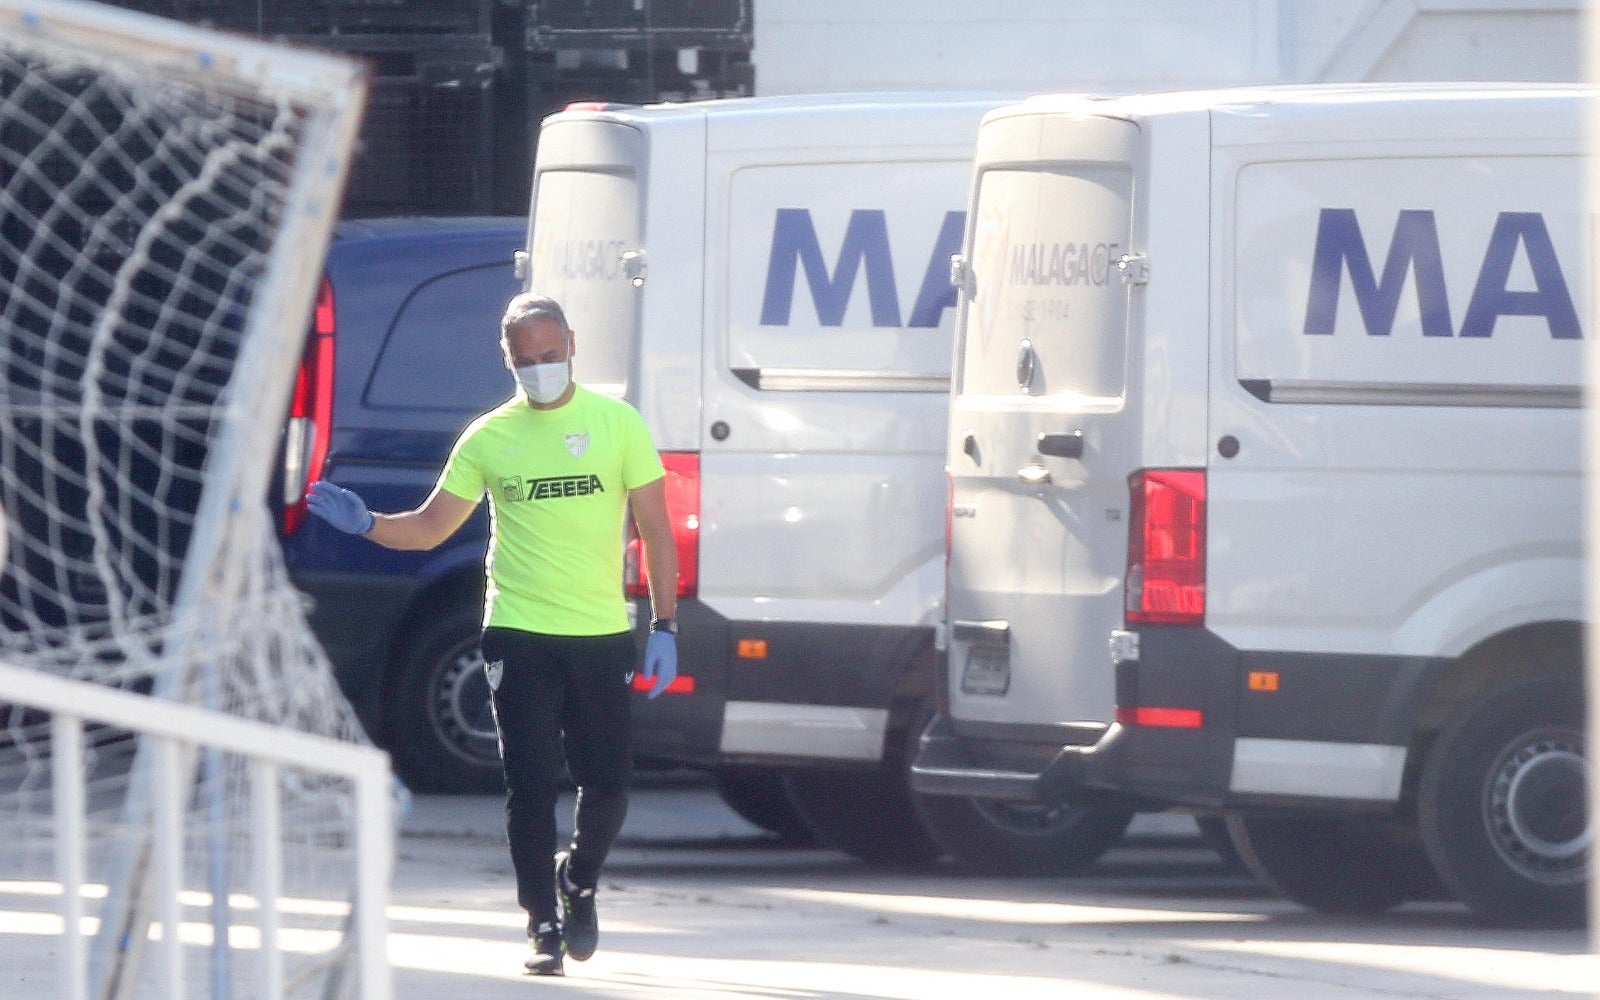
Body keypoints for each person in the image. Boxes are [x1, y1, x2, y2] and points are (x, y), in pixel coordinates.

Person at [305, 292, 679, 976]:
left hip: (598, 633)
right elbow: (429, 527)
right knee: (530, 784)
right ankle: (541, 923)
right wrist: (369, 524)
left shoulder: (617, 423)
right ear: (508, 361)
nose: (539, 369)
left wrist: (664, 622)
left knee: (610, 784)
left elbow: (655, 528)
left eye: (549, 354)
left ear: (571, 345)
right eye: (524, 361)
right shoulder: (489, 437)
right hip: (518, 631)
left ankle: (579, 881)